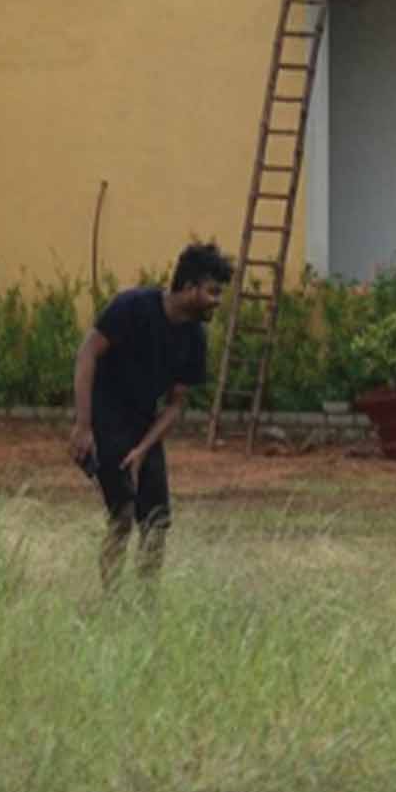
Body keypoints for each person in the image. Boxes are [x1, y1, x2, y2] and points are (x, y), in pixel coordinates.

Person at [67, 242, 233, 591]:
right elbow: (87, 355)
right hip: (104, 419)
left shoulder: (195, 339)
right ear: (189, 287)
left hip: (144, 425)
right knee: (123, 514)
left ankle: (145, 608)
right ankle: (110, 602)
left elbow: (175, 404)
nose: (218, 300)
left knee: (156, 521)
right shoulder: (131, 307)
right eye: (213, 291)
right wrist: (83, 426)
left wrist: (144, 449)